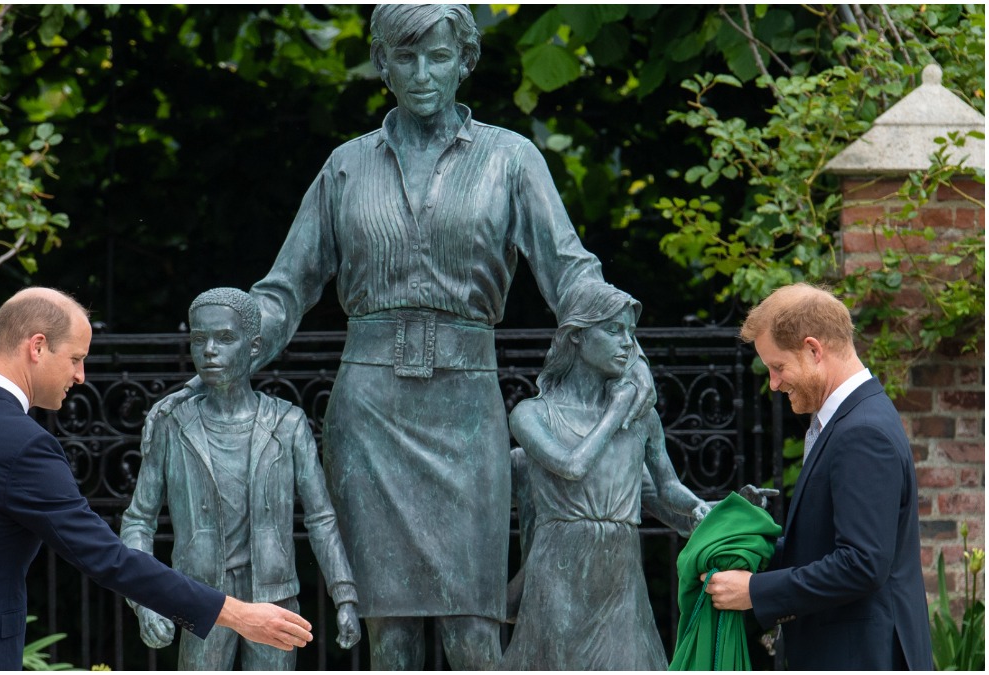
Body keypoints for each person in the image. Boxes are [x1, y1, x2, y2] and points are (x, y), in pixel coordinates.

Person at [156, 5, 655, 668]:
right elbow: (284, 289)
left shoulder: (512, 159)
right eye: (406, 57)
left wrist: (630, 356)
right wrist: (230, 350)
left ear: (465, 61)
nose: (423, 73)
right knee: (387, 631)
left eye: (439, 56)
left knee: (474, 627)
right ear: (383, 65)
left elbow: (573, 274)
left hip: (467, 409)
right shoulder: (345, 166)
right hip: (369, 411)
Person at [0, 287, 312, 670]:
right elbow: (107, 558)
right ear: (37, 347)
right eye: (75, 358)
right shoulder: (25, 446)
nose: (80, 375)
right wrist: (234, 613)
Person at [120, 288, 360, 669]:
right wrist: (144, 600)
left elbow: (320, 518)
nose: (210, 350)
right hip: (200, 598)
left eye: (225, 338)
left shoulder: (288, 424)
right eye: (199, 339)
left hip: (274, 597)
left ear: (254, 347)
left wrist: (344, 596)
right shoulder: (172, 425)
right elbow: (138, 520)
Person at [703, 283, 932, 670]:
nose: (774, 383)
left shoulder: (862, 431)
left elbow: (861, 564)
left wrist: (755, 592)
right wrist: (752, 555)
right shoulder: (847, 420)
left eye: (778, 367)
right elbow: (826, 546)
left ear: (813, 350)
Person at [500, 279, 709, 670]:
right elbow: (571, 466)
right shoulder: (532, 414)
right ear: (576, 336)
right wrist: (616, 412)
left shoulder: (642, 418)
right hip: (559, 566)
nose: (628, 343)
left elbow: (667, 489)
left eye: (631, 332)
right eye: (613, 330)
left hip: (619, 570)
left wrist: (708, 509)